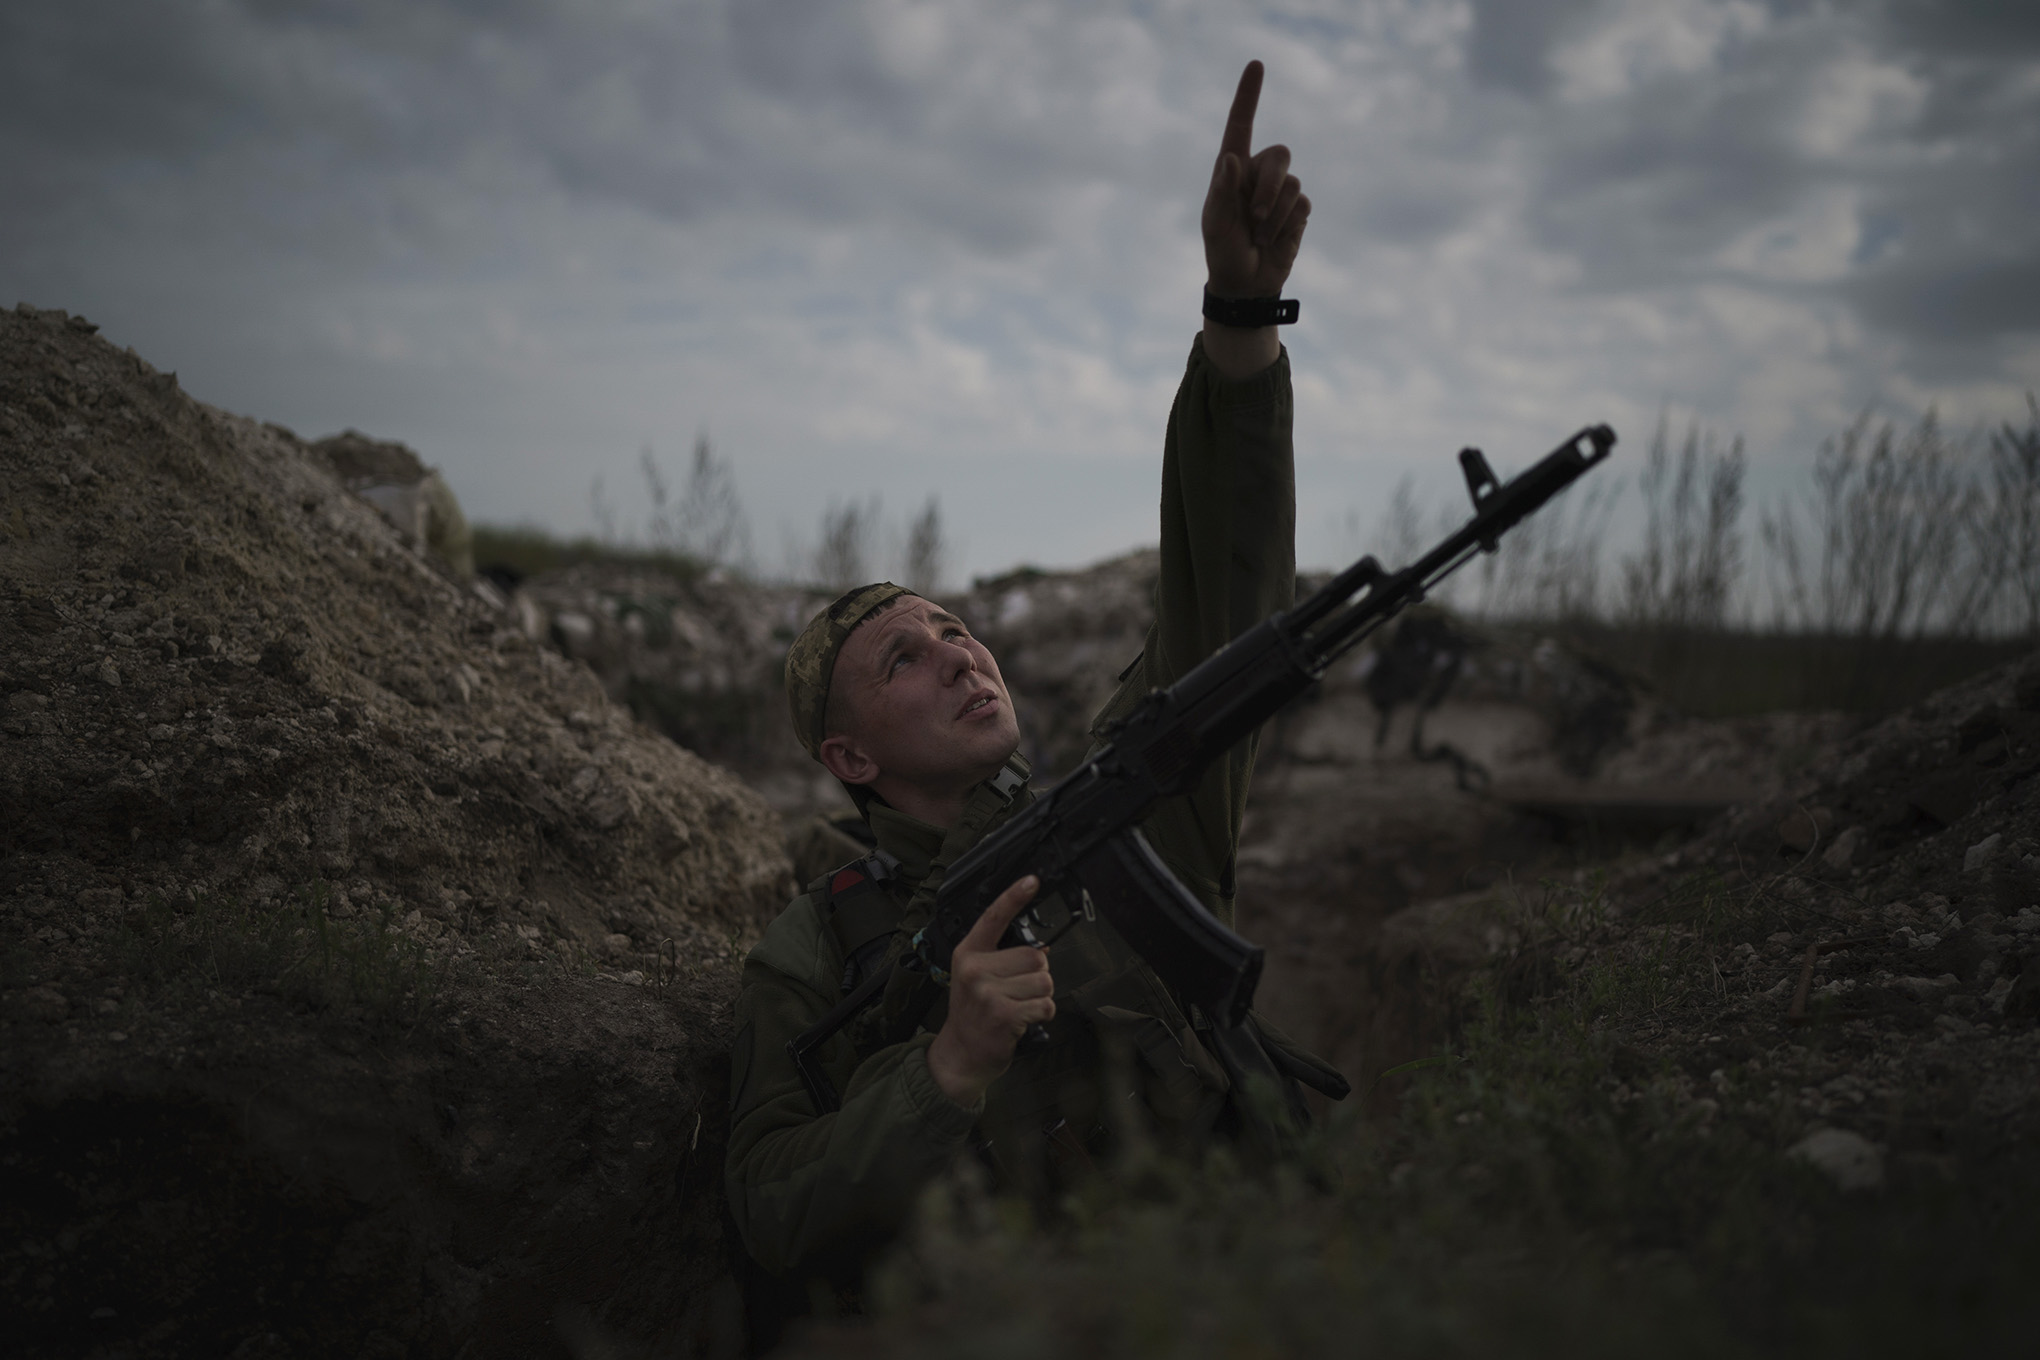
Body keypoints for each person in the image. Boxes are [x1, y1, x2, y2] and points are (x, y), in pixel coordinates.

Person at [724, 60, 1344, 1313]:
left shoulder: (1129, 820)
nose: (960, 652)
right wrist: (946, 1067)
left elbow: (1224, 609)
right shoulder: (817, 949)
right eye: (904, 657)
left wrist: (1240, 316)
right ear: (849, 758)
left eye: (955, 629)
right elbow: (767, 1208)